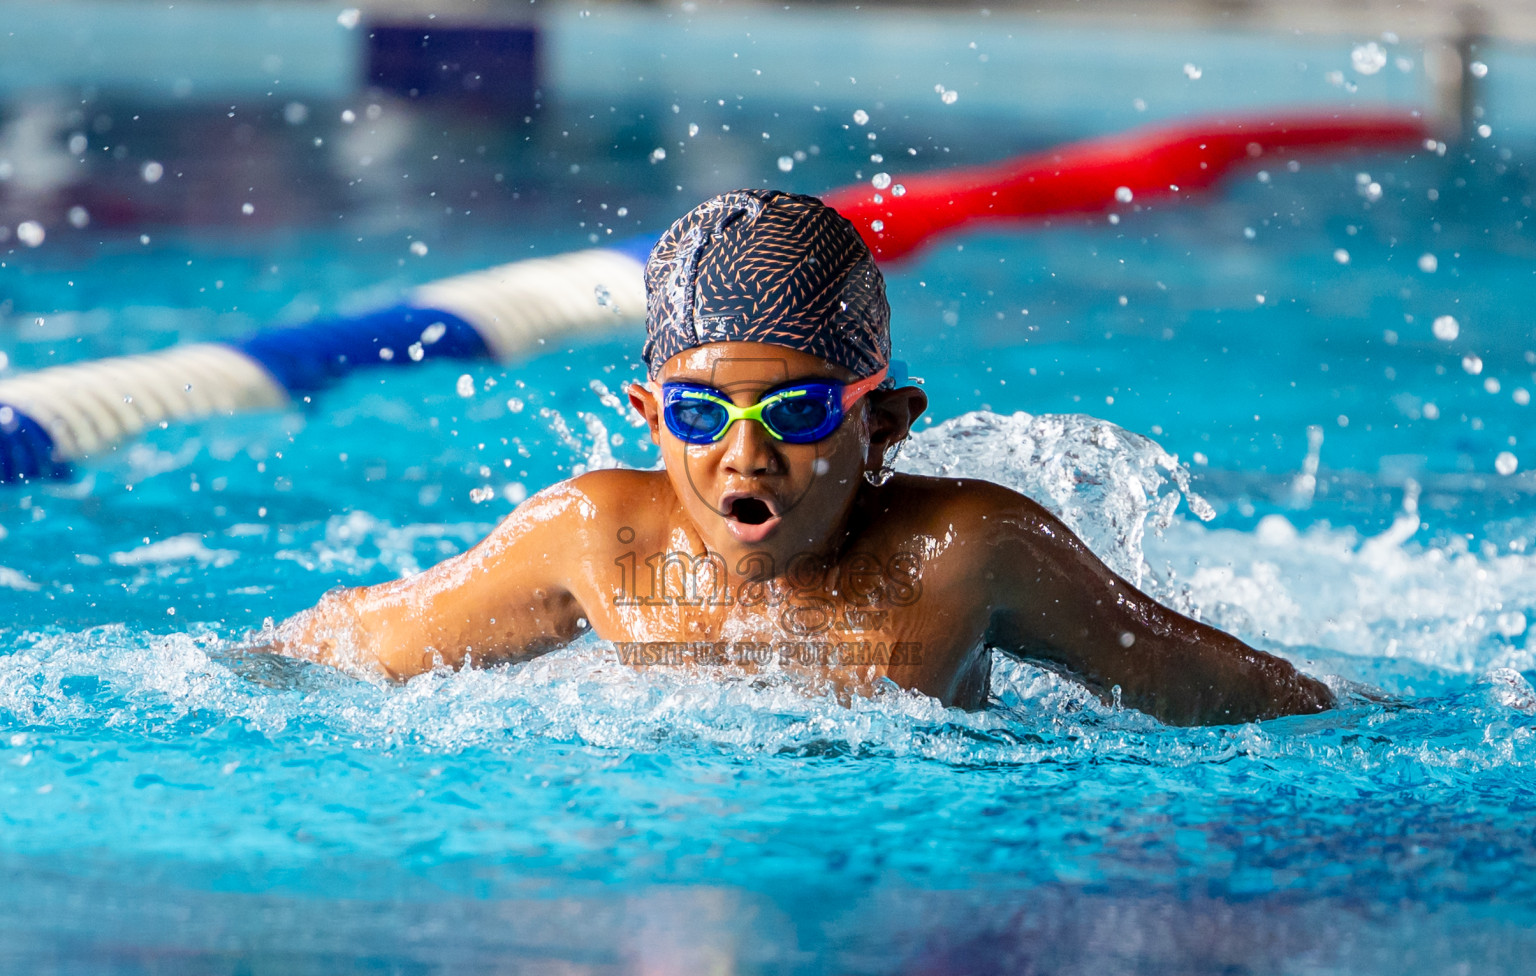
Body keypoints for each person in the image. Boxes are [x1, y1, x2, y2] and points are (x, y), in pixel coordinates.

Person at [271, 189, 1334, 726]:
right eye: (700, 413)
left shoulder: (968, 554)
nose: (747, 455)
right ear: (646, 414)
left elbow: (1244, 698)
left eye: (799, 409)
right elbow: (346, 643)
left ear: (885, 423)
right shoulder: (597, 540)